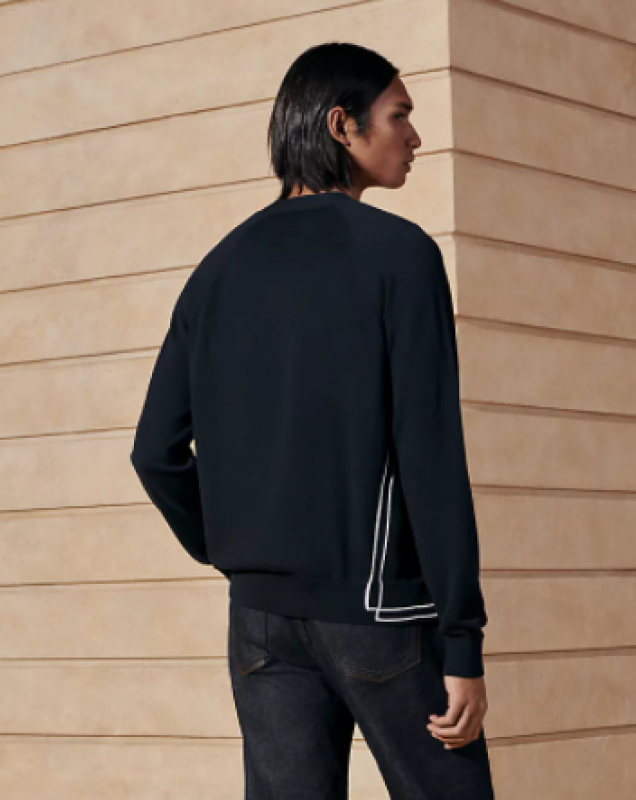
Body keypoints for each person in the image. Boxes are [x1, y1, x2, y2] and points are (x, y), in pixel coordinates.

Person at [130, 41, 495, 799]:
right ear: (341, 125)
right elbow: (429, 455)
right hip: (380, 610)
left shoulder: (219, 268)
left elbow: (155, 452)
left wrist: (234, 549)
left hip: (259, 620)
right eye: (399, 117)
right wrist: (462, 640)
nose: (416, 137)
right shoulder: (399, 256)